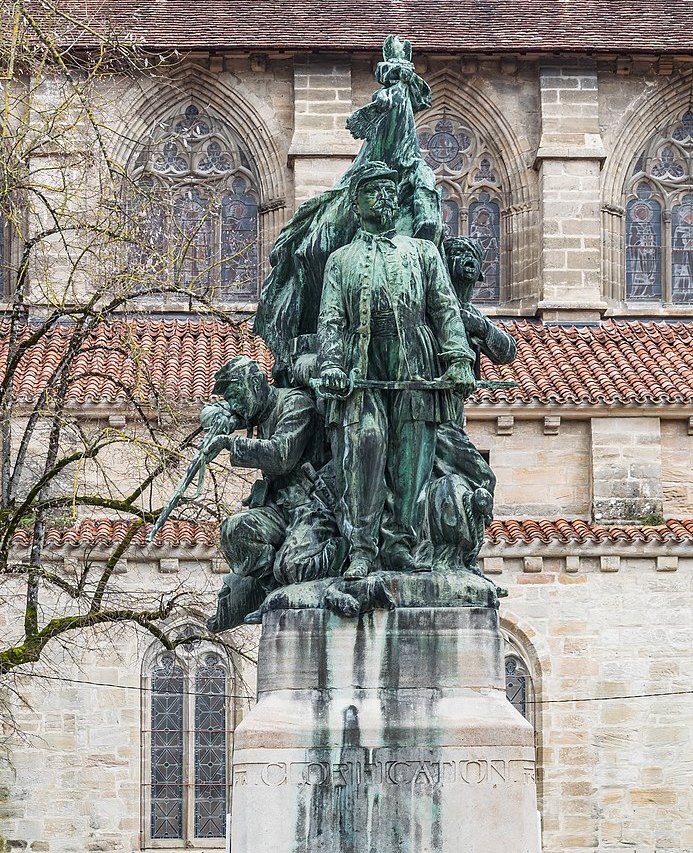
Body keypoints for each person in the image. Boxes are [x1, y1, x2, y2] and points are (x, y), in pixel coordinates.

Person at [317, 161, 476, 580]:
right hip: (360, 364)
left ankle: (402, 543)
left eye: (389, 190)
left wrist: (458, 360)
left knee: (413, 455)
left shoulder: (422, 252)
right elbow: (331, 320)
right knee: (364, 447)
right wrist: (332, 365)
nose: (385, 196)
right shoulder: (340, 260)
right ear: (356, 202)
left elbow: (444, 308)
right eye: (374, 190)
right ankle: (362, 548)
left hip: (416, 361)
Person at [203, 356, 340, 631]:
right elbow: (220, 414)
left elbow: (282, 456)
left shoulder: (294, 403)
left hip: (312, 506)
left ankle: (341, 552)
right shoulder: (258, 413)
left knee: (294, 568)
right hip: (279, 509)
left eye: (236, 395)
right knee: (235, 530)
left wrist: (231, 443)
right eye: (230, 399)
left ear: (255, 383)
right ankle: (269, 589)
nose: (235, 404)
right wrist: (220, 418)